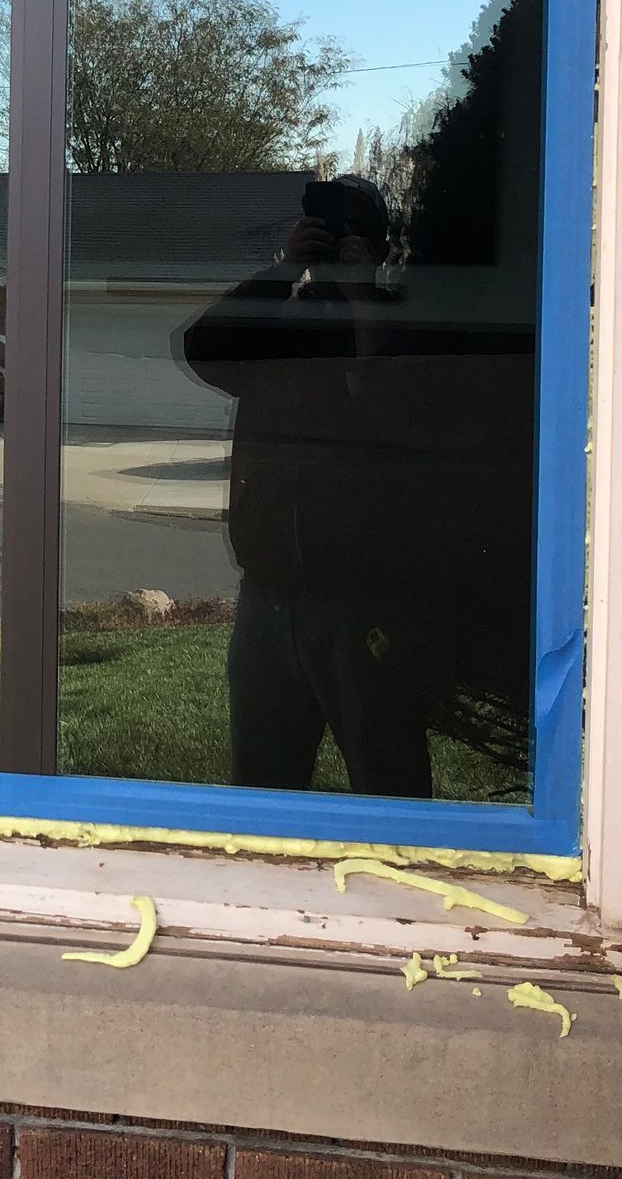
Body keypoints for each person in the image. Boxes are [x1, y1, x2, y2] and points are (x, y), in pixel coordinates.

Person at [181, 174, 474, 802]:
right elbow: (204, 347)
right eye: (329, 228)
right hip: (267, 594)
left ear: (381, 247)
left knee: (388, 783)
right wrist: (284, 270)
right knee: (260, 787)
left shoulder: (402, 321)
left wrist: (362, 299)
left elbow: (397, 410)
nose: (340, 241)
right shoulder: (283, 319)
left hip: (366, 601)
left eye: (354, 233)